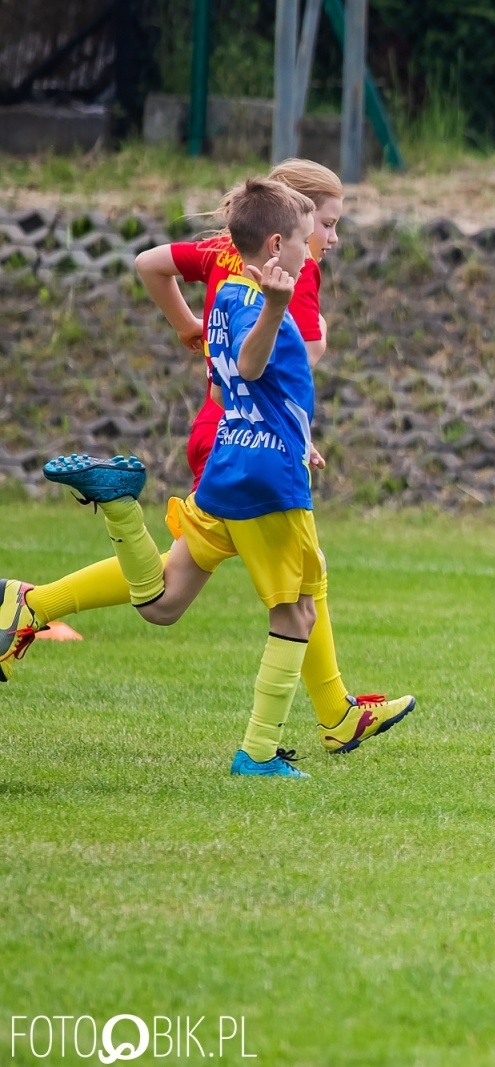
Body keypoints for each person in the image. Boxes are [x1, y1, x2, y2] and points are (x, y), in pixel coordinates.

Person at [1, 163, 412, 758]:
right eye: (324, 224)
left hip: (226, 433)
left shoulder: (222, 255)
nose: (330, 238)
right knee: (297, 594)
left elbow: (150, 265)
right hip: (253, 446)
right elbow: (276, 356)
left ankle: (42, 591)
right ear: (283, 234)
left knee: (169, 598)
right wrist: (293, 319)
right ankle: (287, 739)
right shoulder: (289, 276)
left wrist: (189, 329)